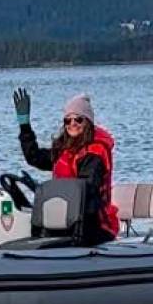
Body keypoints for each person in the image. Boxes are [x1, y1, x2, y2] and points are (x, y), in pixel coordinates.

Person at [12, 88, 119, 245]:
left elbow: (86, 188)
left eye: (78, 120)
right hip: (65, 218)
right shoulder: (65, 150)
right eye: (67, 120)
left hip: (94, 223)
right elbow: (34, 157)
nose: (72, 124)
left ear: (88, 122)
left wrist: (47, 191)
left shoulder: (96, 152)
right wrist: (24, 125)